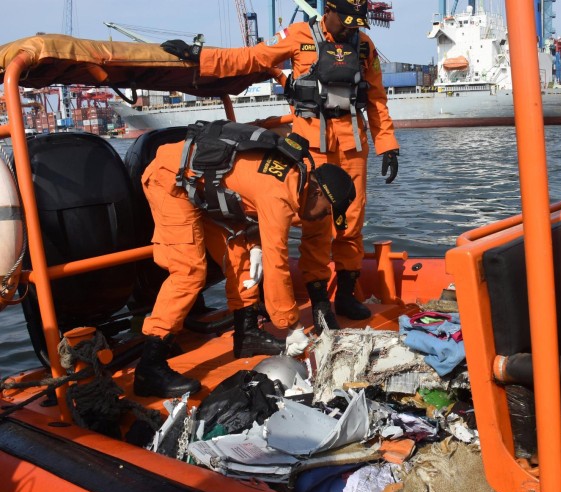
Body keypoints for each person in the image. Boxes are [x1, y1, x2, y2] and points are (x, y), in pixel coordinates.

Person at [161, 0, 400, 334]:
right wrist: (202, 57)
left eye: (355, 24)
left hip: (352, 146)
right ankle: (319, 303)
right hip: (310, 146)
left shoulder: (363, 46)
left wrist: (387, 144)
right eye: (345, 23)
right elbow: (253, 57)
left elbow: (375, 99)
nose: (350, 29)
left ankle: (345, 294)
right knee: (316, 226)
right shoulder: (298, 35)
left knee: (350, 223)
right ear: (326, 11)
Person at [136, 127, 356, 398]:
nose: (321, 218)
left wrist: (257, 245)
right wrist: (292, 326)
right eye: (325, 212)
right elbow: (278, 264)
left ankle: (246, 333)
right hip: (171, 181)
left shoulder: (303, 181)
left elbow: (309, 231)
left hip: (203, 187)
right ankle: (149, 366)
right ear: (318, 194)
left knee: (240, 251)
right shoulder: (280, 193)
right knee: (189, 271)